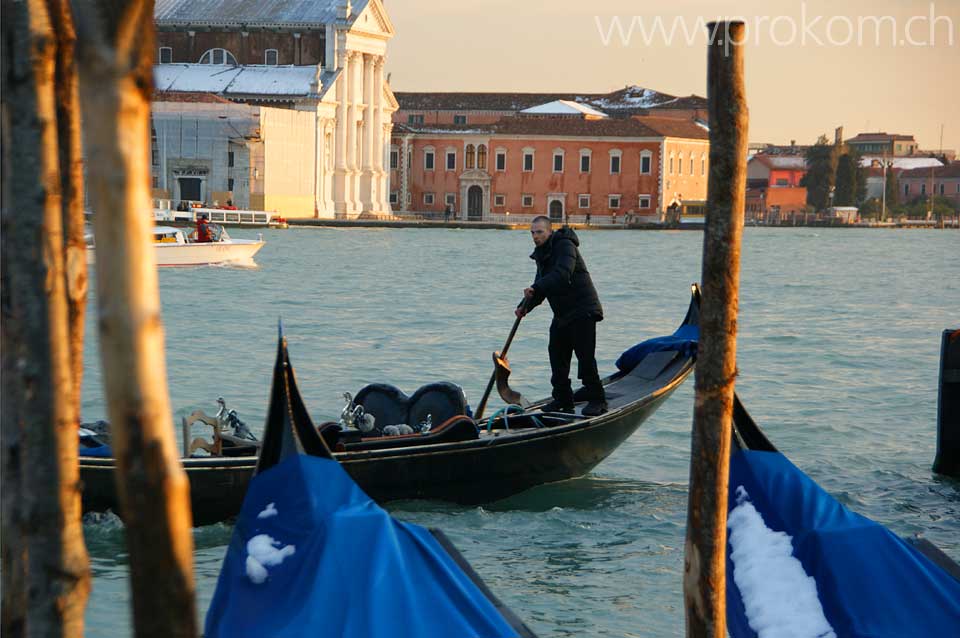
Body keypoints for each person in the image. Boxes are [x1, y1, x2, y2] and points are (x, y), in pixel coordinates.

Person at [515, 216, 607, 416]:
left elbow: (562, 274)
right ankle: (563, 400)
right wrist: (524, 306)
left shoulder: (565, 246)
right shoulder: (542, 254)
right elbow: (541, 285)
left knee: (585, 358)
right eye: (532, 232)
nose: (535, 236)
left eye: (539, 232)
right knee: (557, 355)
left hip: (583, 310)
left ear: (550, 231)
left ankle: (598, 400)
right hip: (563, 314)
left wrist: (536, 287)